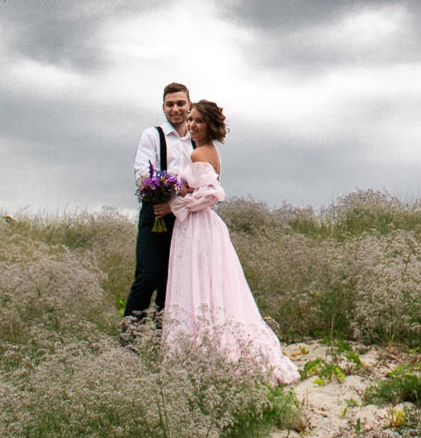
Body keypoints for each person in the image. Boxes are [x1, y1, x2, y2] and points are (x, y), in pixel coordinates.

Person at [165, 100, 300, 384]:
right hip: (204, 226)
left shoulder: (200, 153)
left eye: (197, 120)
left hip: (198, 227)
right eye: (189, 120)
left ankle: (202, 349)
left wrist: (177, 204)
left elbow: (212, 194)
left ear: (210, 125)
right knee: (211, 285)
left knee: (197, 282)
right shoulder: (208, 151)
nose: (191, 125)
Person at [124, 81, 194, 322]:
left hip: (186, 218)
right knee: (148, 276)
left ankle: (162, 339)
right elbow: (143, 174)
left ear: (189, 105)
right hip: (154, 213)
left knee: (174, 280)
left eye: (180, 104)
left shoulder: (196, 140)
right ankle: (129, 340)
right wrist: (173, 189)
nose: (175, 109)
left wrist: (179, 200)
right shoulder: (153, 135)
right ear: (163, 107)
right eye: (170, 104)